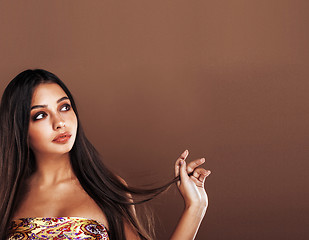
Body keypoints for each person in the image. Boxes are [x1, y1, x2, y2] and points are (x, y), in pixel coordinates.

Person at [0, 69, 211, 240]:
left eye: (64, 107)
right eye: (40, 115)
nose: (60, 122)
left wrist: (195, 206)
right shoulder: (7, 197)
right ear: (19, 129)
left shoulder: (106, 188)